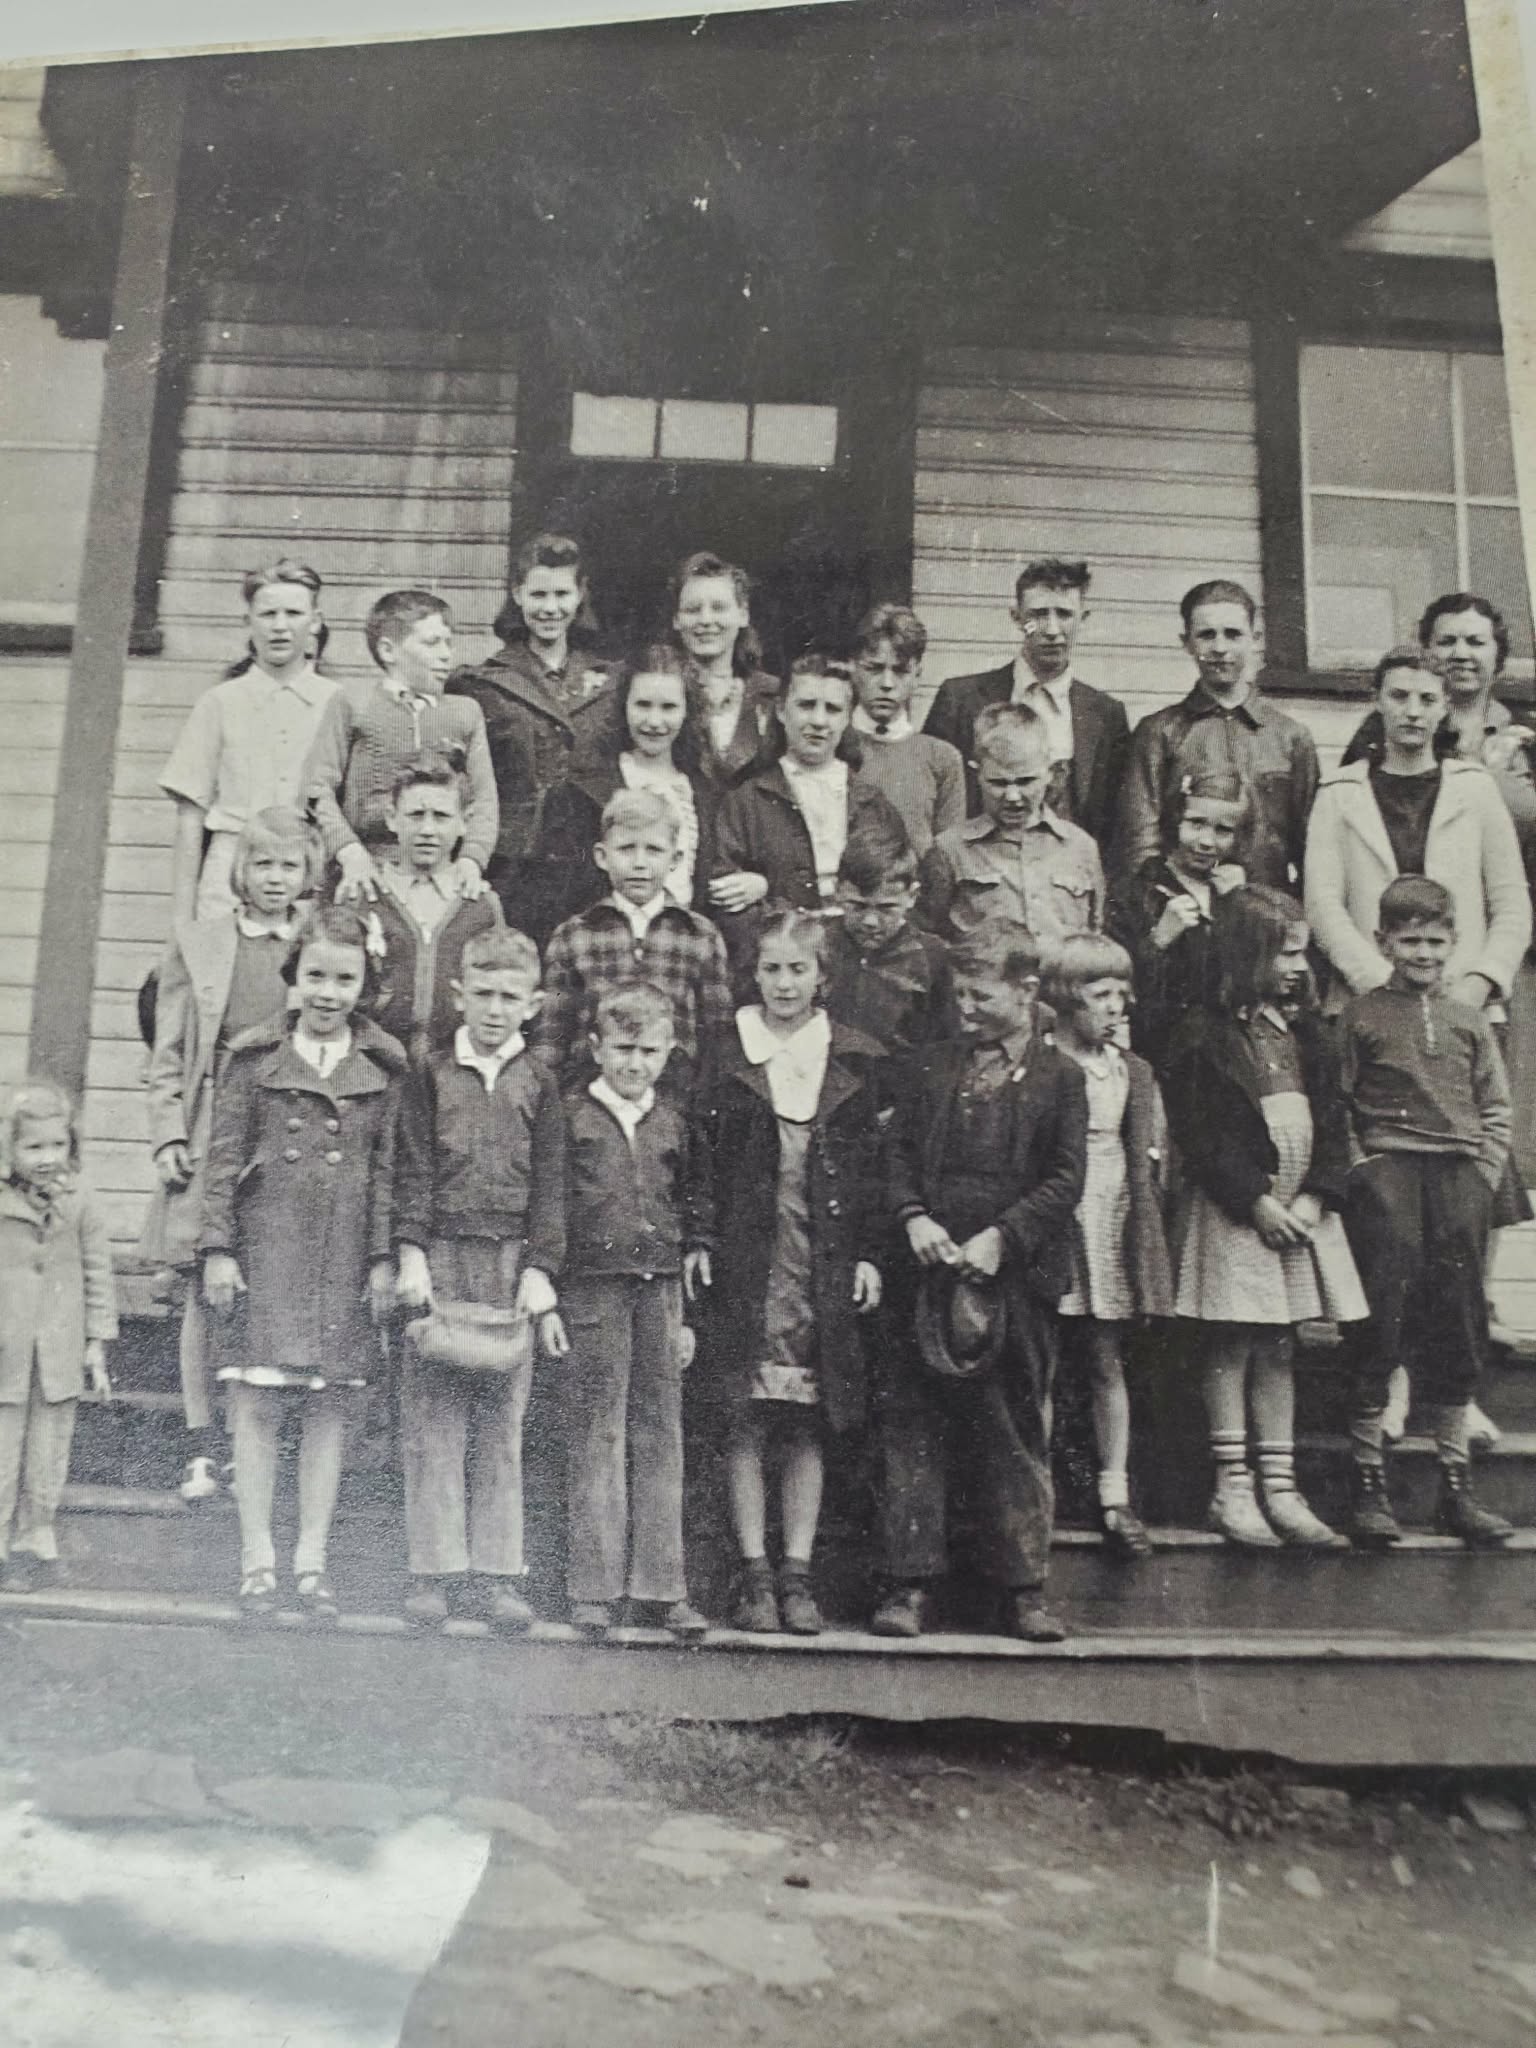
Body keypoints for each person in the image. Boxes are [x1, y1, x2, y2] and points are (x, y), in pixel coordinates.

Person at [1305, 644, 1531, 1442]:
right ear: (1377, 699)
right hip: (1373, 1016)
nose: (1411, 710)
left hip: (1461, 1017)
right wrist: (1382, 985)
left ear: (1444, 707)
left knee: (1463, 1221)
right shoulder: (1340, 793)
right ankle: (1390, 1380)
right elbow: (1324, 903)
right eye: (1397, 695)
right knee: (1388, 1222)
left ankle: (1454, 1393)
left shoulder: (1473, 790)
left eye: (1426, 697)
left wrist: (1474, 984)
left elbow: (1510, 904)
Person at [874, 921, 1087, 1642]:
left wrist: (1003, 1238)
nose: (965, 1007)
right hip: (929, 1273)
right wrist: (912, 1219)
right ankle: (908, 1586)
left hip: (1015, 1280)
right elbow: (897, 1152)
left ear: (1027, 993)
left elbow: (1065, 1180)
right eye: (959, 993)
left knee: (1012, 1429)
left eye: (981, 995)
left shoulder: (1063, 1078)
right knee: (914, 1428)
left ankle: (1024, 1590)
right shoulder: (930, 1066)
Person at [200, 904, 406, 1622]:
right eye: (314, 975)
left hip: (343, 1255)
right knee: (256, 1404)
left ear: (363, 986)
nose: (327, 992)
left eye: (343, 979)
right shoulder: (254, 1058)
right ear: (293, 977)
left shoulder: (382, 1068)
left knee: (329, 1407)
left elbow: (388, 1173)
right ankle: (257, 1560)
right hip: (268, 1248)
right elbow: (222, 1160)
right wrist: (218, 1249)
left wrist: (382, 1259)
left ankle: (311, 1562)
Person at [693, 911, 884, 1636]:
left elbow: (871, 1172)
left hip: (820, 1256)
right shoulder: (726, 1052)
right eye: (770, 969)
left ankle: (798, 1573)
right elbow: (700, 1151)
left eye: (797, 970)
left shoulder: (852, 1060)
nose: (782, 983)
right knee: (743, 1412)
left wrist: (866, 1252)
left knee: (806, 1418)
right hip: (749, 1262)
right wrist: (701, 1236)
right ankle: (752, 1572)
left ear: (822, 978)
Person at [1161, 887, 1366, 1550]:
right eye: (1286, 952)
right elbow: (1203, 1133)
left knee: (1281, 1344)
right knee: (1235, 1339)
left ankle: (1281, 1485)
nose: (1298, 966)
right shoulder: (1205, 1035)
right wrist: (1255, 1200)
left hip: (1298, 1210)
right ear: (1247, 954)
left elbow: (1335, 1123)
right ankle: (1234, 1484)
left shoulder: (1309, 1034)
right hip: (1240, 1210)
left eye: (1303, 952)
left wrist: (1315, 1197)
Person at [141, 806, 320, 1504]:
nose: (275, 880)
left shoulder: (316, 941)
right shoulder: (200, 941)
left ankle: (256, 1440)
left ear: (307, 873)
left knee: (268, 1281)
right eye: (262, 865)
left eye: (289, 866)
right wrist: (167, 1133)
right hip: (214, 1118)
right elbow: (169, 1052)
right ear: (240, 871)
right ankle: (200, 1444)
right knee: (200, 1286)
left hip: (287, 1121)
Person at [393, 926, 568, 1630]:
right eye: (484, 994)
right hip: (442, 1255)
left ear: (533, 1004)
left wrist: (541, 1267)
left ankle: (497, 1578)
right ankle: (433, 1573)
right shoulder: (430, 1072)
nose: (495, 1010)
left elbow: (553, 1184)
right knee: (434, 1420)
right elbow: (411, 1168)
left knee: (501, 1423)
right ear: (459, 996)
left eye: (510, 997)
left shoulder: (540, 1080)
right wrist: (411, 1252)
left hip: (508, 1264)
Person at [1337, 877, 1516, 1551]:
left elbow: (1495, 1106)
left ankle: (1455, 1488)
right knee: (1382, 1321)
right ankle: (1368, 1484)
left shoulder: (1469, 1017)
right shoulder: (1359, 1016)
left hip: (1457, 1178)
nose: (1424, 954)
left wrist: (1481, 1175)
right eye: (1409, 940)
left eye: (1436, 941)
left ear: (1455, 943)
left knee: (1458, 1323)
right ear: (1384, 941)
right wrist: (1365, 1174)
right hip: (1389, 1177)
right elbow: (1342, 1106)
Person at [561, 983, 710, 1641]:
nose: (634, 1064)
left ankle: (662, 1585)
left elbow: (696, 1198)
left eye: (648, 1050)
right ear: (596, 1048)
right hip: (593, 1288)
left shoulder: (674, 1119)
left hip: (660, 1290)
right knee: (599, 1430)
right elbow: (553, 1205)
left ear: (668, 1049)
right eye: (622, 1049)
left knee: (661, 1429)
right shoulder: (571, 1117)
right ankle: (593, 1588)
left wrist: (697, 1250)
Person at [1041, 935, 1174, 1559]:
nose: (1115, 1007)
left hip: (1111, 1214)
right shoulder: (1041, 1061)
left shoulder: (1131, 1069)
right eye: (1100, 995)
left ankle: (1113, 1493)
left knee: (1103, 1358)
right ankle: (1032, 1496)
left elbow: (1149, 1149)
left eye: (1122, 994)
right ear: (1067, 1001)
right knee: (1040, 1361)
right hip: (1055, 1214)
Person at [445, 532, 614, 921]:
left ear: (580, 594)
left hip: (589, 863)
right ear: (518, 594)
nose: (550, 608)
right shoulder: (482, 683)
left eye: (561, 595)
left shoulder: (610, 682)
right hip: (514, 866)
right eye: (538, 595)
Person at [159, 559, 338, 921]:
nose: (280, 627)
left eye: (293, 613)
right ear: (248, 622)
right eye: (268, 614)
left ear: (315, 622)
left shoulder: (336, 702)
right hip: (230, 872)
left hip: (305, 872)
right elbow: (191, 817)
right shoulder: (220, 702)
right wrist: (182, 921)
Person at [708, 654, 905, 974]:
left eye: (832, 709)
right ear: (782, 711)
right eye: (806, 705)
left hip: (856, 963)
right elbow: (728, 903)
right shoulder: (747, 801)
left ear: (847, 718)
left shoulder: (871, 804)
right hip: (780, 967)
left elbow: (895, 889)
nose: (818, 720)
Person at [302, 588, 497, 905]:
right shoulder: (353, 704)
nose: (447, 654)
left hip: (445, 874)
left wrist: (472, 860)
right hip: (366, 870)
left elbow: (484, 800)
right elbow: (317, 789)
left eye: (449, 642)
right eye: (432, 643)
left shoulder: (465, 712)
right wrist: (349, 852)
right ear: (389, 651)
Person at [1118, 580, 1318, 889]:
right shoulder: (1158, 733)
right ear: (1187, 643)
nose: (1220, 648)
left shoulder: (1291, 738)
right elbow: (1140, 845)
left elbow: (1312, 849)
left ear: (1256, 640)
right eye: (1206, 635)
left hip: (1267, 914)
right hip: (1183, 915)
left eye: (1233, 634)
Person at [921, 558, 1130, 848]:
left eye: (1065, 614)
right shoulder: (960, 699)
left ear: (1084, 619)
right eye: (1038, 615)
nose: (1052, 630)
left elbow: (1116, 825)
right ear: (1017, 617)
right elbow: (932, 800)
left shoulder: (1107, 715)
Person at [0, 1080, 116, 1595]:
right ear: (9, 1147)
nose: (47, 1158)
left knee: (47, 1451)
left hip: (59, 1350)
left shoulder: (81, 1199)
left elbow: (97, 1273)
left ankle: (33, 1541)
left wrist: (96, 1342)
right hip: (5, 1347)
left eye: (57, 1145)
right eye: (33, 1146)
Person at [537, 788, 733, 1085]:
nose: (640, 863)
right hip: (589, 1101)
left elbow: (717, 1037)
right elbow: (551, 1039)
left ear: (675, 859)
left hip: (674, 1100)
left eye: (653, 850)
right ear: (602, 856)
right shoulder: (574, 935)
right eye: (627, 849)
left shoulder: (699, 935)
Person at [524, 643, 714, 943]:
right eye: (642, 705)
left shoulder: (704, 793)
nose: (654, 721)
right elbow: (554, 897)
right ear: (623, 705)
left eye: (668, 707)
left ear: (687, 711)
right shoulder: (584, 791)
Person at [916, 702, 1104, 949]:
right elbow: (928, 938)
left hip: (1063, 985)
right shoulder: (950, 850)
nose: (1013, 796)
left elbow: (1096, 937)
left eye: (1026, 781)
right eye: (999, 783)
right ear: (977, 774)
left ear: (1050, 773)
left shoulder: (1081, 847)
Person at [1105, 769, 1253, 1070]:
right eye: (1196, 824)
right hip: (1162, 1056)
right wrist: (1158, 940)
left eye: (1223, 830)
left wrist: (1240, 906)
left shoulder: (1235, 893)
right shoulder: (1135, 893)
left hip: (1228, 1060)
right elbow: (1116, 985)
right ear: (1175, 820)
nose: (1207, 842)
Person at [363, 762, 503, 1060]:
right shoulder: (364, 897)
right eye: (415, 815)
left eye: (441, 817)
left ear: (464, 822)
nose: (427, 829)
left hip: (453, 1072)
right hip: (376, 1071)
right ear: (391, 818)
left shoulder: (481, 906)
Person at [823, 820, 956, 1090]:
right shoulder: (817, 945)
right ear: (838, 891)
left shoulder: (932, 957)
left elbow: (944, 1046)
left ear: (912, 895)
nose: (870, 921)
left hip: (900, 1098)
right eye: (857, 906)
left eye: (886, 908)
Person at [847, 604, 964, 856]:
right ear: (853, 668)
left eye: (900, 671)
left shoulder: (942, 759)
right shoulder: (831, 746)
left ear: (918, 675)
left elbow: (947, 857)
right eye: (874, 669)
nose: (887, 684)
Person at [668, 550, 779, 792]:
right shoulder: (659, 697)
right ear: (676, 619)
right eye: (693, 609)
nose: (706, 620)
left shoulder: (774, 697)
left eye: (719, 608)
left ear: (742, 614)